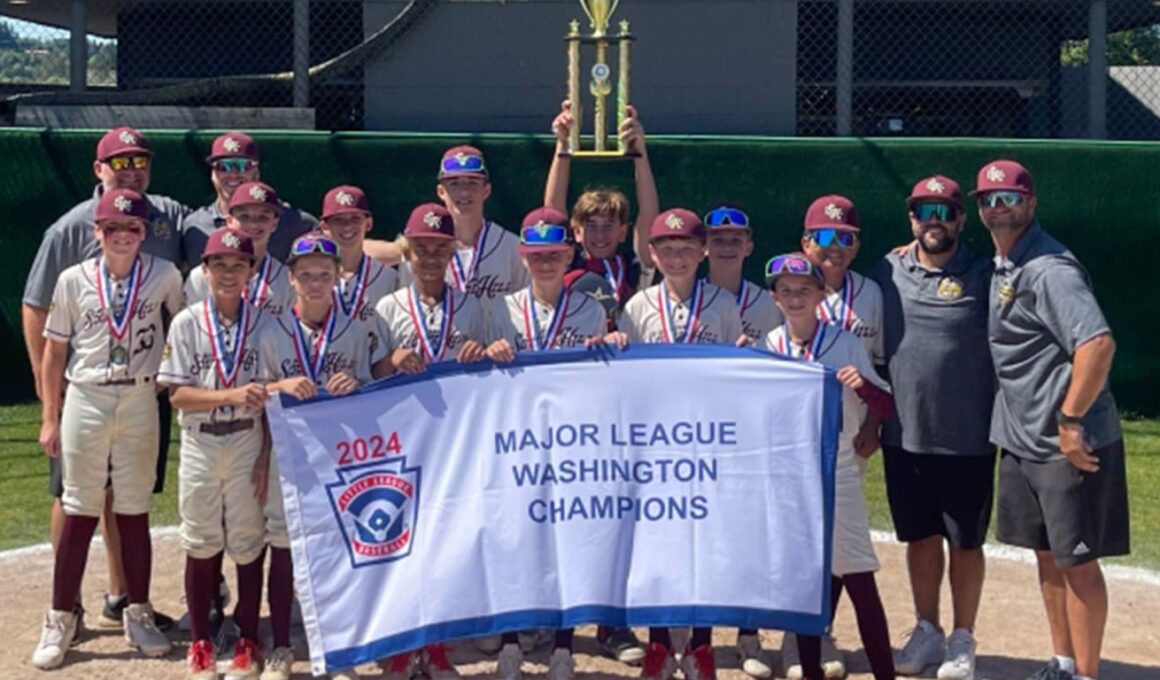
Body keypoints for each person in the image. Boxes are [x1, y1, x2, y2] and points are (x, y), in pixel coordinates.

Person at [21, 127, 186, 634]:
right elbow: (36, 305)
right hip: (84, 385)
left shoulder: (168, 215)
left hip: (139, 385)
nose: (132, 168)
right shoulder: (71, 228)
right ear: (99, 170)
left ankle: (123, 596)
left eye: (140, 160)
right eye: (119, 162)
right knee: (72, 495)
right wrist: (49, 389)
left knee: (132, 495)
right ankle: (65, 606)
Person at [974, 160, 1128, 680]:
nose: (999, 208)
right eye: (989, 200)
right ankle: (1062, 662)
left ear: (1031, 203)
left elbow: (1097, 343)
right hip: (1023, 440)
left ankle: (1086, 673)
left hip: (1068, 444)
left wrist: (1070, 420)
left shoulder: (1050, 268)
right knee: (1046, 556)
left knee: (1078, 564)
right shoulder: (1005, 263)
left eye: (1009, 198)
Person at [870, 176, 994, 680]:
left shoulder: (986, 273)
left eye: (945, 210)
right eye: (925, 210)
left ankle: (963, 639)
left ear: (962, 219)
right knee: (919, 538)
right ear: (911, 219)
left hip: (970, 434)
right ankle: (927, 630)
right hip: (906, 433)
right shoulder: (886, 270)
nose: (934, 219)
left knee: (965, 542)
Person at [613, 208, 744, 680]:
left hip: (707, 444)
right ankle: (658, 646)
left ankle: (702, 646)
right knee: (658, 549)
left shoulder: (723, 304)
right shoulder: (638, 307)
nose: (677, 257)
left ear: (703, 250)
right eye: (666, 249)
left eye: (686, 248)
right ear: (651, 253)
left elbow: (739, 374)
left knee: (705, 546)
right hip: (656, 446)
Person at [258, 232, 393, 680]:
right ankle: (280, 645)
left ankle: (343, 647)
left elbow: (368, 389)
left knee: (339, 548)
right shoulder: (271, 331)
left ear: (338, 277)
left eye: (324, 275)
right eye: (306, 275)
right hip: (289, 457)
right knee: (283, 545)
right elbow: (257, 391)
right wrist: (280, 386)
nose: (315, 283)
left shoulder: (354, 331)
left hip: (339, 456)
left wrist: (354, 385)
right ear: (291, 279)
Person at [485, 207, 610, 680]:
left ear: (569, 253)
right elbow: (475, 371)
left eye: (554, 254)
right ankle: (512, 640)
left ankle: (563, 643)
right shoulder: (499, 308)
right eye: (536, 255)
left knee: (567, 543)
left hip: (572, 443)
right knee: (517, 542)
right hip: (516, 443)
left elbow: (603, 379)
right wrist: (490, 352)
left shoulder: (590, 308)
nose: (545, 263)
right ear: (522, 257)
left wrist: (609, 349)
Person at [761, 252, 895, 680]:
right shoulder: (771, 346)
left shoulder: (845, 342)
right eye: (786, 291)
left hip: (838, 473)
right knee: (807, 583)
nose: (795, 298)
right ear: (774, 297)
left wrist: (864, 387)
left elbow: (887, 405)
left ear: (821, 294)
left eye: (804, 290)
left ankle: (885, 674)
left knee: (858, 578)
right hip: (791, 478)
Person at [373, 204, 489, 680]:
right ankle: (402, 642)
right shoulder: (386, 307)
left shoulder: (475, 306)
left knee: (444, 540)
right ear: (407, 251)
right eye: (422, 248)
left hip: (455, 439)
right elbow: (369, 377)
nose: (430, 257)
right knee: (401, 541)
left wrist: (478, 356)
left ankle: (437, 644)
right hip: (403, 437)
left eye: (440, 249)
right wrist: (391, 360)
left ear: (452, 252)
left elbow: (494, 372)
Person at [160, 229, 270, 680]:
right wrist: (231, 393)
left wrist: (265, 455)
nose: (229, 273)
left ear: (251, 271)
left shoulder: (264, 322)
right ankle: (202, 639)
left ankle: (247, 637)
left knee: (247, 538)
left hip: (247, 439)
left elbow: (270, 396)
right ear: (203, 272)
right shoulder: (186, 322)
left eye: (238, 265)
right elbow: (177, 395)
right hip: (202, 441)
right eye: (219, 265)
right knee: (201, 539)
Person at [786, 194, 886, 678]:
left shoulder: (868, 297)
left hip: (846, 447)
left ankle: (821, 637)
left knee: (846, 558)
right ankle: (806, 641)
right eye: (825, 237)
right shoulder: (777, 325)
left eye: (845, 238)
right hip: (794, 460)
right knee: (807, 565)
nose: (835, 246)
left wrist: (874, 422)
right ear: (807, 242)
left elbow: (881, 375)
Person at [546, 100, 658, 329]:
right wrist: (563, 143)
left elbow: (649, 216)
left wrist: (640, 152)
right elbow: (552, 214)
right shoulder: (566, 262)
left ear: (623, 232)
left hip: (627, 357)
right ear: (576, 232)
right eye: (591, 226)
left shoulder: (633, 267)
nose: (599, 234)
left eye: (608, 226)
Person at [399, 145, 529, 306]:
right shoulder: (420, 251)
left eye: (472, 183)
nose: (464, 192)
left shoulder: (511, 247)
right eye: (454, 184)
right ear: (441, 192)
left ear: (486, 190)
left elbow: (527, 310)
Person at [181, 131, 318, 269]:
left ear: (256, 173)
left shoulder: (296, 224)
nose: (233, 174)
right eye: (223, 166)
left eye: (243, 166)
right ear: (213, 174)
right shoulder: (195, 226)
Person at [186, 181, 296, 318]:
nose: (253, 223)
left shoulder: (288, 279)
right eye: (244, 217)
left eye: (263, 217)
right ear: (229, 221)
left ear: (274, 224)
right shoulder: (202, 277)